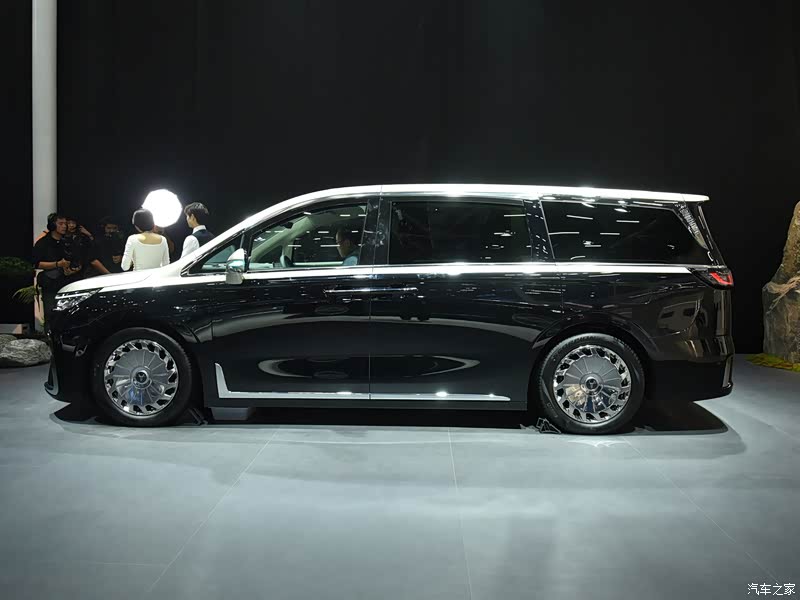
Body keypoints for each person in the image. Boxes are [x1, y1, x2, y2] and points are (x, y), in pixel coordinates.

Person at [32, 214, 76, 328]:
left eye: (65, 223)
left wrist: (72, 269)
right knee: (51, 314)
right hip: (51, 283)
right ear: (52, 225)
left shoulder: (68, 242)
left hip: (68, 283)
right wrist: (58, 264)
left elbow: (77, 260)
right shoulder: (43, 243)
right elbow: (36, 263)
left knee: (68, 315)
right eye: (60, 224)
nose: (64, 226)